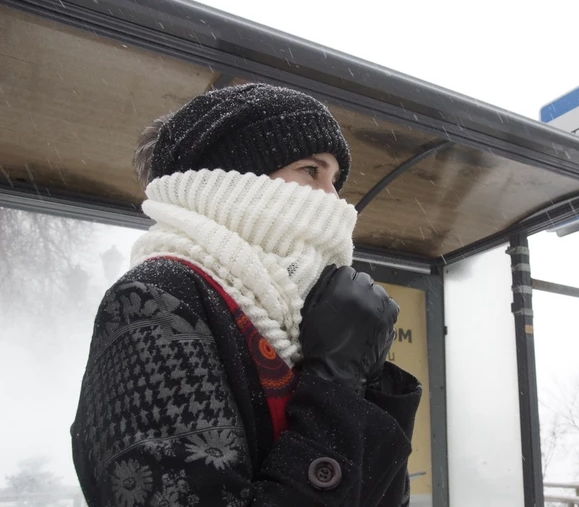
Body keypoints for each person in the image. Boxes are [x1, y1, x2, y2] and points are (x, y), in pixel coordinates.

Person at [71, 83, 422, 506]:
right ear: (232, 181)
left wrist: (367, 377)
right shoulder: (153, 302)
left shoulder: (295, 317)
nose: (335, 201)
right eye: (311, 170)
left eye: (336, 182)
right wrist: (338, 383)